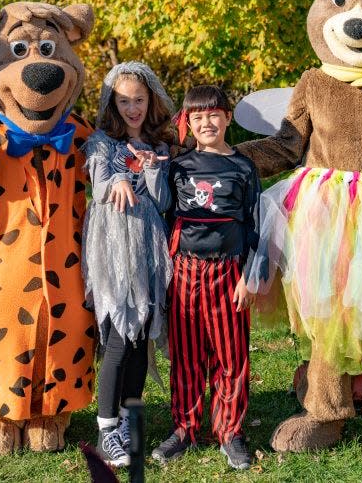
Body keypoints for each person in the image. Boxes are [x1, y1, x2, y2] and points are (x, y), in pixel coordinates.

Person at [151, 85, 261, 471]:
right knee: (187, 357)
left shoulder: (243, 167)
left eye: (213, 114)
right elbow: (164, 219)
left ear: (227, 117)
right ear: (188, 123)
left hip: (228, 270)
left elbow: (255, 227)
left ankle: (230, 431)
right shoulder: (179, 166)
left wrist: (250, 277)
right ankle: (184, 428)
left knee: (231, 357)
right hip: (184, 272)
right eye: (197, 117)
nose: (206, 123)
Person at [81, 62, 174, 468]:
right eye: (124, 101)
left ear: (150, 99)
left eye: (139, 100)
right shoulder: (102, 142)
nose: (133, 108)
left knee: (141, 338)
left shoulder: (160, 145)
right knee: (119, 335)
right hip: (114, 247)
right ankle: (105, 430)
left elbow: (164, 202)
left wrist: (153, 170)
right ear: (112, 103)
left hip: (148, 248)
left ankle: (127, 420)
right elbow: (100, 185)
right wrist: (117, 180)